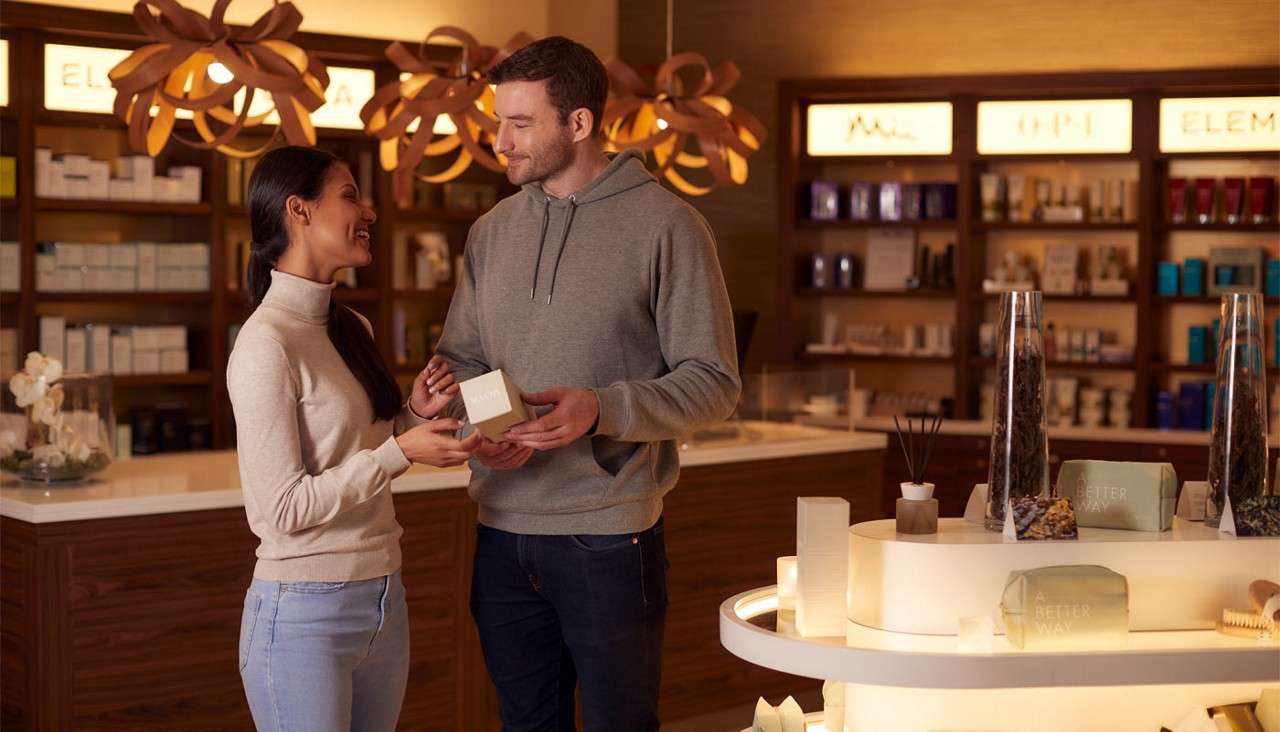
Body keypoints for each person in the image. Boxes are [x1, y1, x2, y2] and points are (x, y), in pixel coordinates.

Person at [435, 37, 741, 730]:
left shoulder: (668, 226)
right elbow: (462, 359)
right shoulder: (491, 231)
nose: (499, 141)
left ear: (578, 124)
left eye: (520, 123)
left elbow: (716, 382)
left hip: (607, 537)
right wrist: (490, 427)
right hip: (501, 528)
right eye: (497, 120)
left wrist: (601, 409)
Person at [226, 145, 481, 732]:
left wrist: (416, 415)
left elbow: (366, 447)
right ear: (300, 211)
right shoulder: (266, 344)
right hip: (301, 613)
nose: (368, 213)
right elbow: (281, 510)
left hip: (382, 597)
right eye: (349, 197)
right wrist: (400, 452)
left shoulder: (351, 326)